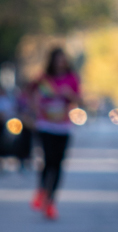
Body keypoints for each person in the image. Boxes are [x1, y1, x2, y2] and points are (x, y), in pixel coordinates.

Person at [25, 46, 80, 219]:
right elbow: (29, 91)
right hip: (45, 125)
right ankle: (41, 191)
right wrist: (34, 108)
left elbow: (79, 99)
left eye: (62, 59)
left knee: (58, 164)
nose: (60, 63)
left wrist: (69, 94)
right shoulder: (43, 78)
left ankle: (50, 202)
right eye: (57, 59)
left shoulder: (72, 78)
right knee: (47, 160)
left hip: (63, 126)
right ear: (52, 61)